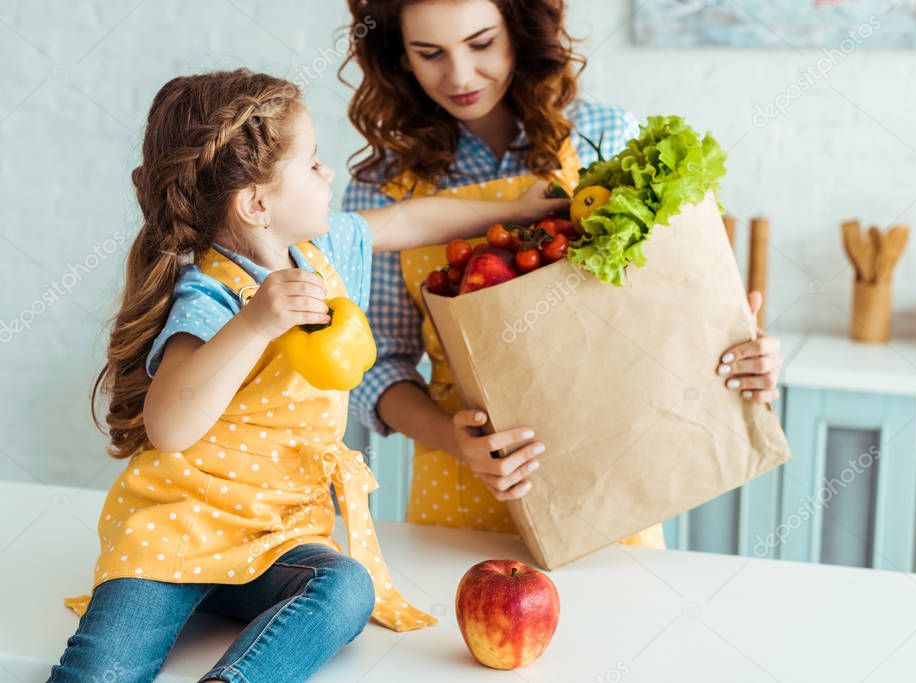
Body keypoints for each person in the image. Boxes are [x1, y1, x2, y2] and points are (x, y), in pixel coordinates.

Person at [49, 68, 567, 683]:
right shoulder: (211, 297)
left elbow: (405, 222)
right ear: (257, 202)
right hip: (177, 537)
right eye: (313, 163)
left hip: (276, 538)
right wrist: (256, 325)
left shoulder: (321, 256)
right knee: (101, 667)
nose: (329, 175)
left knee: (347, 589)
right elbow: (168, 425)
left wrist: (510, 209)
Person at [340, 0, 782, 545]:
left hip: (612, 472)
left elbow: (665, 309)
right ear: (400, 56)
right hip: (462, 484)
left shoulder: (608, 135)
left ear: (519, 32)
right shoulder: (379, 187)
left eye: (481, 44)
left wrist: (742, 353)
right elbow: (375, 363)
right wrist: (461, 444)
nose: (458, 76)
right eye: (429, 53)